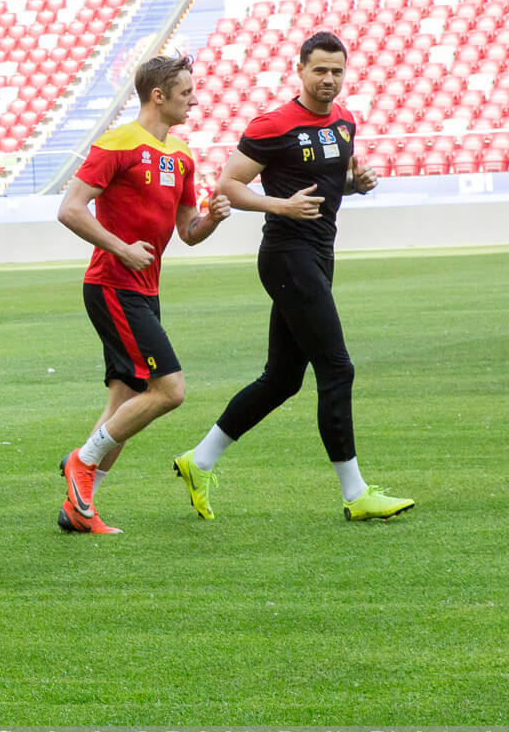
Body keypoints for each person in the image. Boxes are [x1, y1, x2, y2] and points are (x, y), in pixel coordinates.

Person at [173, 32, 412, 522]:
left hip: (319, 255)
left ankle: (199, 461)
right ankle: (356, 494)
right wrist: (280, 205)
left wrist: (356, 184)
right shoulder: (274, 124)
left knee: (282, 379)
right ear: (300, 69)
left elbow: (334, 181)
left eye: (337, 71)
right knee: (337, 367)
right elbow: (229, 185)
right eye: (319, 70)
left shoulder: (345, 122)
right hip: (286, 255)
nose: (328, 80)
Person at [54, 55, 231, 534]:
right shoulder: (118, 144)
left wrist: (212, 217)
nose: (194, 98)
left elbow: (188, 231)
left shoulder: (182, 155)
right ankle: (81, 461)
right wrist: (119, 247)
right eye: (186, 90)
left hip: (144, 289)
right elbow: (70, 209)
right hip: (112, 285)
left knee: (124, 402)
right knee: (169, 390)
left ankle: (78, 505)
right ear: (158, 95)